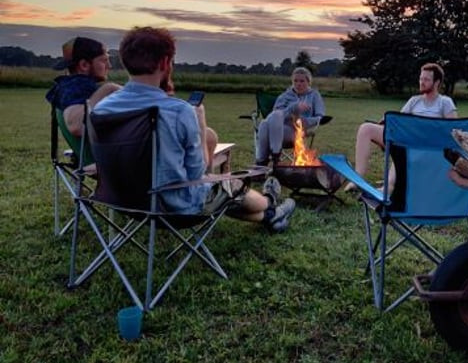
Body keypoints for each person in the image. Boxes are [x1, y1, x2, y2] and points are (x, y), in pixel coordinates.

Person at [94, 26, 295, 233]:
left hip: (123, 202)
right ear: (165, 62)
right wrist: (199, 121)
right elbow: (198, 172)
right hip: (174, 207)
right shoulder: (178, 111)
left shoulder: (102, 109)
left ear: (125, 61)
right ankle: (270, 204)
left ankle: (270, 216)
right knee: (229, 185)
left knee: (220, 192)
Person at [345, 63, 457, 192]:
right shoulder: (415, 101)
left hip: (426, 145)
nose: (421, 82)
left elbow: (452, 129)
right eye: (421, 78)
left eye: (426, 79)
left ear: (437, 82)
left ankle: (387, 187)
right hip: (405, 140)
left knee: (400, 157)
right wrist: (386, 121)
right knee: (366, 128)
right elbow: (399, 121)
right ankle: (358, 179)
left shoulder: (445, 102)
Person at [45, 36, 121, 137]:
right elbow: (77, 126)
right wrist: (109, 89)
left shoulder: (65, 87)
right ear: (84, 65)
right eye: (104, 60)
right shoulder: (76, 88)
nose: (109, 65)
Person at [255, 67, 326, 166]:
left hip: (299, 130)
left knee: (263, 125)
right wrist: (293, 108)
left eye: (302, 81)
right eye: (295, 81)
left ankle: (261, 163)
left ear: (308, 82)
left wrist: (303, 120)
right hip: (280, 129)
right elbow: (275, 117)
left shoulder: (314, 95)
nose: (298, 84)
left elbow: (320, 117)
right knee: (265, 124)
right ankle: (274, 156)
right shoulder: (285, 96)